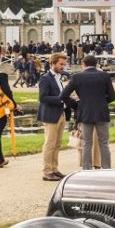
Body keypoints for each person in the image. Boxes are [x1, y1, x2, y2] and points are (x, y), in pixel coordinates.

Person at [60, 54, 115, 170]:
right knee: (104, 143)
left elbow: (64, 95)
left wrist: (77, 106)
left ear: (83, 65)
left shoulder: (77, 77)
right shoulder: (104, 76)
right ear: (96, 65)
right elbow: (112, 96)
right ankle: (107, 169)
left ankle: (86, 169)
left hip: (85, 113)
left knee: (87, 143)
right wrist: (101, 102)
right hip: (101, 113)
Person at [38, 52, 71, 181]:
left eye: (64, 64)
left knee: (57, 144)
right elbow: (43, 97)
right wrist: (61, 99)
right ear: (52, 63)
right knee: (49, 144)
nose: (63, 67)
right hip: (51, 115)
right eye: (61, 64)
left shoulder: (58, 77)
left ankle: (54, 169)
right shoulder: (46, 78)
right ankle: (47, 171)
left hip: (60, 114)